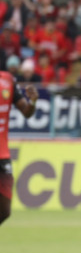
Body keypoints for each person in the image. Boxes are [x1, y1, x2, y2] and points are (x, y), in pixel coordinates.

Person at [0, 65, 38, 227]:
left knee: (4, 211)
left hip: (2, 155)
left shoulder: (7, 79)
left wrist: (33, 101)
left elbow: (26, 111)